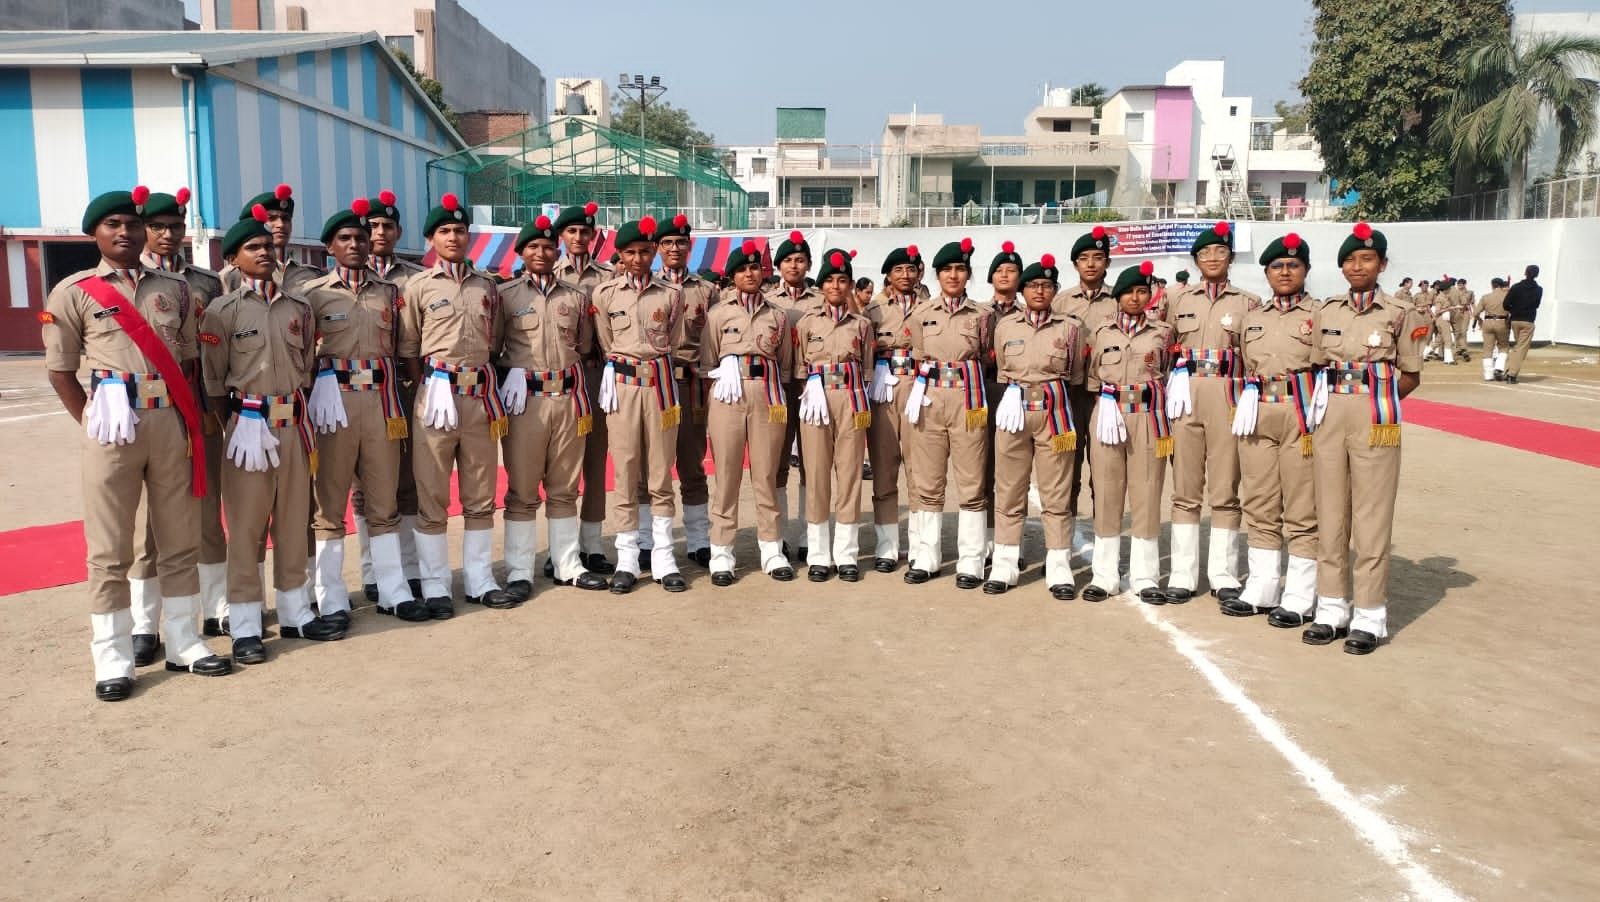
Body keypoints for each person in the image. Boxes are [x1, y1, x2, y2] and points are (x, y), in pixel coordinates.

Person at [44, 187, 231, 699]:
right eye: (113, 225)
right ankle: (113, 658)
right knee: (109, 548)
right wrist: (91, 420)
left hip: (169, 422)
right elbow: (60, 369)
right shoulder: (75, 291)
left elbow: (190, 361)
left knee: (178, 538)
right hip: (113, 428)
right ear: (95, 234)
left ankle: (183, 642)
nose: (124, 232)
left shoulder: (173, 287)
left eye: (131, 223)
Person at [203, 205, 343, 665]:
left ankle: (296, 612)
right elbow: (213, 382)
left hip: (294, 427)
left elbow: (306, 366)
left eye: (267, 245)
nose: (264, 252)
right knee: (246, 530)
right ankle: (245, 624)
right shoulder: (220, 312)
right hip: (249, 428)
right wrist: (236, 424)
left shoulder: (300, 308)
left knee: (292, 522)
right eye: (252, 247)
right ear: (233, 259)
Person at [1303, 222, 1427, 655]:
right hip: (1331, 413)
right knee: (1331, 511)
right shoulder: (1327, 311)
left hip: (1375, 417)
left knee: (1372, 516)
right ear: (1341, 267)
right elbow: (1318, 364)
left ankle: (1370, 615)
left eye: (1367, 259)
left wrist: (1377, 400)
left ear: (1382, 264)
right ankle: (1332, 607)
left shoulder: (1399, 312)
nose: (1359, 266)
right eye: (1351, 260)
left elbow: (1409, 375)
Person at [302, 199, 428, 624]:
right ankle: (332, 594)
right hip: (332, 403)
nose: (355, 243)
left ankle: (393, 588)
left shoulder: (391, 292)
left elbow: (404, 347)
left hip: (380, 400)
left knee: (384, 497)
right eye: (345, 238)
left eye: (359, 237)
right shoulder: (311, 296)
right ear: (329, 248)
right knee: (330, 502)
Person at [398, 193, 516, 617]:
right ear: (431, 239)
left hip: (480, 397)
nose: (453, 236)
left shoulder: (487, 285)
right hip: (437, 396)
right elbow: (408, 345)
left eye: (459, 230)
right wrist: (427, 383)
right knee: (431, 492)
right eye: (444, 231)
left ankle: (481, 579)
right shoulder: (417, 288)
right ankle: (435, 584)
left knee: (481, 492)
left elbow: (497, 340)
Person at [128, 188, 229, 650]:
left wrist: (212, 410)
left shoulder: (207, 283)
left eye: (175, 226)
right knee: (151, 525)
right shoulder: (132, 283)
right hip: (150, 413)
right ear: (143, 230)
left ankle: (217, 608)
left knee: (207, 512)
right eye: (158, 227)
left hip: (200, 410)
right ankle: (145, 623)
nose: (168, 235)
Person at [495, 214, 610, 598]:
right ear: (522, 253)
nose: (542, 252)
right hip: (525, 400)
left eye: (547, 247)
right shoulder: (506, 295)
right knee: (523, 490)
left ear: (556, 250)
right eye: (534, 247)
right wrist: (508, 370)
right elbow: (494, 345)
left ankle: (568, 564)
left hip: (566, 398)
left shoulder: (575, 298)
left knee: (564, 487)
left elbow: (585, 345)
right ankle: (519, 571)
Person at [1224, 233, 1319, 624]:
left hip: (1302, 413)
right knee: (1260, 502)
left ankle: (1300, 595)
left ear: (1306, 270)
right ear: (1266, 272)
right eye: (1277, 266)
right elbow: (1246, 364)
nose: (1285, 272)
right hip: (1259, 411)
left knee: (1302, 507)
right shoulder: (1253, 317)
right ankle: (1262, 587)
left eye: (1293, 266)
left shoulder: (1321, 314)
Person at [591, 216, 688, 593]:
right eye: (630, 252)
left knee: (662, 471)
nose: (638, 258)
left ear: (655, 252)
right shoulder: (605, 294)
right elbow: (604, 341)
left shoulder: (671, 295)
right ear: (620, 255)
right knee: (626, 470)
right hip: (623, 385)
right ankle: (628, 558)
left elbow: (674, 339)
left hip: (660, 382)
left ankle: (663, 558)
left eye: (645, 251)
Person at [1164, 222, 1256, 604]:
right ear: (1196, 261)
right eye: (1205, 254)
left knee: (1225, 487)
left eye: (1220, 252)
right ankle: (1183, 573)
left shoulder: (1249, 302)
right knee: (1185, 488)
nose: (1213, 259)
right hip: (1186, 395)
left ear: (1231, 258)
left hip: (1228, 394)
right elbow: (1163, 345)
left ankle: (1223, 573)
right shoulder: (1178, 301)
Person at [987, 254, 1083, 599]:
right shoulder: (1005, 326)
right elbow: (1001, 370)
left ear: (1055, 290)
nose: (1039, 290)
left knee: (1056, 490)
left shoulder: (1070, 328)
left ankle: (1058, 565)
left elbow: (1075, 374)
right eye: (1033, 285)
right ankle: (1005, 563)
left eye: (1046, 285)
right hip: (1014, 409)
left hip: (1055, 412)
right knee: (1009, 487)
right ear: (1023, 290)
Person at [703, 240, 796, 584]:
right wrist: (726, 365)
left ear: (762, 272)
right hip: (728, 394)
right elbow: (706, 360)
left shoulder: (778, 316)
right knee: (726, 476)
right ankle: (722, 552)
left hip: (768, 394)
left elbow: (785, 365)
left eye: (754, 268)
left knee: (766, 476)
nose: (749, 274)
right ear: (732, 276)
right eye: (742, 269)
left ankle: (771, 549)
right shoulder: (718, 315)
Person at [904, 238, 995, 588]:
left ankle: (971, 560)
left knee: (972, 482)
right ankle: (927, 555)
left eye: (960, 269)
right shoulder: (922, 315)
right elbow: (918, 354)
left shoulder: (983, 316)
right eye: (947, 270)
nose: (953, 275)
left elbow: (986, 357)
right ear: (938, 275)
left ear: (968, 274)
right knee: (928, 480)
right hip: (931, 397)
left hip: (968, 400)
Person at [352, 189, 427, 606]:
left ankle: (409, 567)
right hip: (362, 392)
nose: (379, 232)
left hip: (405, 388)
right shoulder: (333, 283)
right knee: (366, 486)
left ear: (399, 233)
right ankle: (372, 571)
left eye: (387, 226)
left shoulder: (414, 278)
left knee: (407, 481)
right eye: (373, 226)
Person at [1082, 262, 1174, 602]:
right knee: (1107, 492)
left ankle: (1145, 576)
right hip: (1109, 412)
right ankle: (1104, 575)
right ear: (1118, 297)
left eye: (1142, 292)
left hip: (1148, 415)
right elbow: (1092, 375)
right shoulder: (1101, 333)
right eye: (1129, 292)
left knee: (1147, 492)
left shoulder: (1162, 332)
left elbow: (1166, 370)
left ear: (1150, 295)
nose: (1136, 298)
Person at [637, 214, 716, 570]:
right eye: (666, 243)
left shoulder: (707, 290)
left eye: (680, 243)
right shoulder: (644, 286)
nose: (673, 249)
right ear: (656, 248)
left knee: (691, 462)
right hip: (652, 384)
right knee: (648, 465)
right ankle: (645, 539)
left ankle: (699, 539)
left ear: (689, 246)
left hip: (689, 384)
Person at [795, 249, 874, 582]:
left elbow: (868, 369)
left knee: (850, 475)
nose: (836, 286)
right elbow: (799, 367)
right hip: (816, 399)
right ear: (822, 284)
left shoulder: (863, 325)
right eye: (829, 280)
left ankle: (846, 554)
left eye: (843, 280)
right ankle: (818, 554)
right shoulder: (806, 323)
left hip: (852, 398)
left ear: (851, 286)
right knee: (815, 475)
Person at [552, 202, 617, 573]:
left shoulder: (607, 278)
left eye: (585, 232)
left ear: (594, 236)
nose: (579, 238)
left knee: (595, 460)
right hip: (560, 379)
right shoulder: (549, 273)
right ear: (562, 237)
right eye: (572, 232)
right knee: (559, 465)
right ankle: (561, 548)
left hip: (595, 375)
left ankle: (591, 545)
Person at [864, 245, 925, 571]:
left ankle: (920, 546)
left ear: (918, 274)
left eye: (911, 269)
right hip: (884, 391)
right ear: (888, 275)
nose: (905, 275)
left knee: (920, 470)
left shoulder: (931, 309)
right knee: (885, 468)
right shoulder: (873, 311)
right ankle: (886, 545)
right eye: (898, 269)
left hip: (919, 388)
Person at [1052, 226, 1117, 527]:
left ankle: (1104, 541)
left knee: (1104, 471)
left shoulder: (1119, 301)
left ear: (1107, 262)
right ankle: (1064, 541)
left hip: (1106, 396)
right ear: (1075, 264)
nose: (1091, 264)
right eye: (1084, 258)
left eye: (1098, 257)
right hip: (1069, 395)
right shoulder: (1060, 303)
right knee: (1067, 466)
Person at [765, 230, 822, 559]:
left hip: (814, 387)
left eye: (800, 260)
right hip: (779, 388)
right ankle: (781, 533)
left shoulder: (820, 300)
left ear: (809, 264)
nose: (795, 266)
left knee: (812, 464)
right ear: (778, 266)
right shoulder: (768, 301)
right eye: (788, 260)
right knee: (777, 462)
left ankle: (808, 533)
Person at [221, 185, 320, 293]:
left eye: (286, 219)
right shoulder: (231, 276)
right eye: (271, 218)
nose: (281, 224)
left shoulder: (309, 274)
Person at [1503, 265, 1543, 384]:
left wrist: (1514, 309)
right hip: (1528, 320)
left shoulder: (1516, 287)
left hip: (1515, 320)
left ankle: (1508, 369)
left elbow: (1505, 304)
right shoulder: (1539, 289)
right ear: (1537, 274)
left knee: (1517, 347)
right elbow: (1537, 305)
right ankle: (1512, 374)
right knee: (1521, 348)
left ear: (1525, 273)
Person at [1473, 277, 1512, 381]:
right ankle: (1499, 368)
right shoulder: (1507, 296)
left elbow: (1475, 313)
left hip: (1488, 322)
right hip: (1502, 322)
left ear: (1492, 285)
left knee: (1487, 348)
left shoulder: (1485, 297)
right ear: (1502, 285)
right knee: (1503, 347)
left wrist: (1480, 321)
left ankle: (1488, 374)